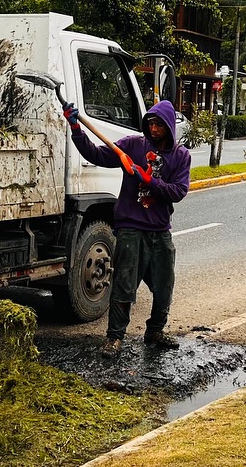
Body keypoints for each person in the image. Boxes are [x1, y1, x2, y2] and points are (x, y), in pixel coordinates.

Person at [62, 99, 191, 357]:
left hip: (160, 229)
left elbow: (178, 191)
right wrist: (76, 127)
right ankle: (114, 338)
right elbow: (96, 154)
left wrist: (148, 180)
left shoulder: (180, 156)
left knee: (164, 285)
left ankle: (155, 331)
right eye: (151, 124)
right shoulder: (132, 146)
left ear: (169, 127)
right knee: (123, 284)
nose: (154, 129)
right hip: (130, 227)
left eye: (159, 125)